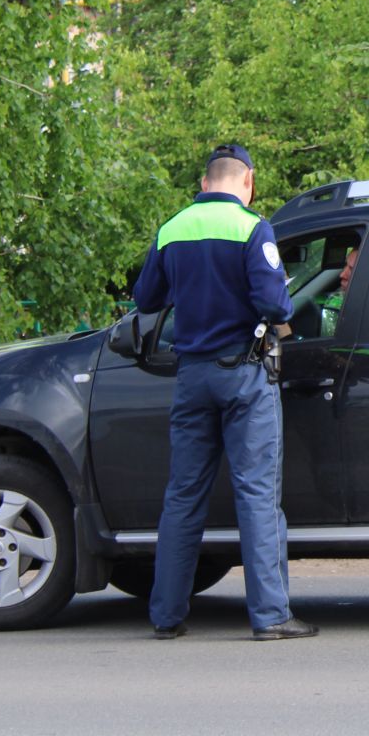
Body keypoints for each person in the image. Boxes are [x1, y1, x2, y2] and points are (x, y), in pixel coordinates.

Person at [131, 144, 316, 641]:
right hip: (243, 376)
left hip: (191, 377)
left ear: (204, 181)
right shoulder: (253, 229)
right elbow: (276, 305)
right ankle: (271, 616)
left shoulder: (172, 230)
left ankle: (167, 616)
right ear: (247, 181)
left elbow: (146, 299)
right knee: (256, 494)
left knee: (183, 495)